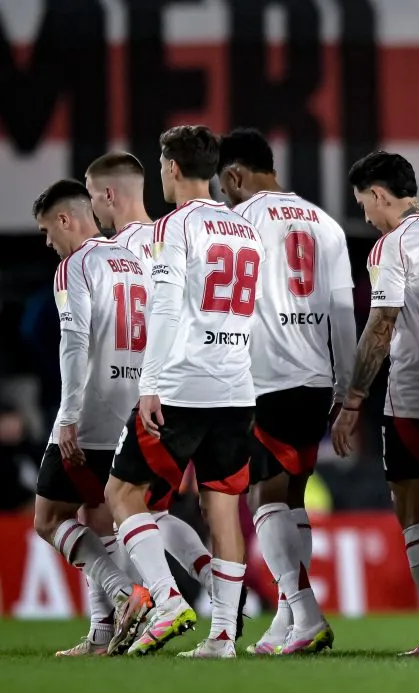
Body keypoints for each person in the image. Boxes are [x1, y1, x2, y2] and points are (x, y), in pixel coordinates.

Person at [104, 125, 265, 659]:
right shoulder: (245, 227)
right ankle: (223, 636)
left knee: (123, 495)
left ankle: (168, 600)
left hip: (182, 386)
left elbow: (167, 307)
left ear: (171, 168)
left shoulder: (175, 226)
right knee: (223, 510)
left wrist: (149, 385)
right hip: (237, 387)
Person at [217, 127, 357, 655]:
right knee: (292, 498)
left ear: (234, 175)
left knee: (265, 499)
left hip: (263, 380)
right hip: (317, 381)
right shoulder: (325, 223)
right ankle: (286, 617)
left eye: (224, 186)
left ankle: (307, 612)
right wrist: (348, 391)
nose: (224, 196)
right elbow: (345, 317)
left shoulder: (238, 224)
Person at [332, 151, 419, 656]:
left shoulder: (391, 247)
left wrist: (353, 400)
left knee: (412, 508)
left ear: (378, 194)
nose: (367, 217)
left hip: (416, 396)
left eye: (364, 204)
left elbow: (382, 325)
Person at [86, 151, 218, 600]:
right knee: (143, 507)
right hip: (179, 399)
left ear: (108, 194)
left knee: (110, 506)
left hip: (129, 401)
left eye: (90, 197)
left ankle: (144, 607)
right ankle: (210, 586)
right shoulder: (169, 238)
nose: (90, 209)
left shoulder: (107, 254)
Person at [31, 179, 153, 657]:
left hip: (91, 412)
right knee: (97, 516)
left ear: (65, 220)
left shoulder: (74, 266)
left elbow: (74, 343)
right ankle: (103, 633)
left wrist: (67, 416)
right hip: (133, 407)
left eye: (47, 230)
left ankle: (125, 593)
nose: (47, 242)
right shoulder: (134, 260)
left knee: (49, 519)